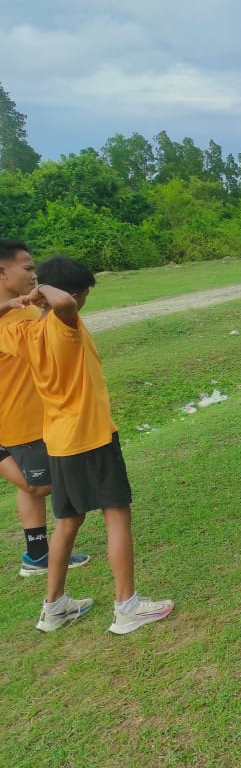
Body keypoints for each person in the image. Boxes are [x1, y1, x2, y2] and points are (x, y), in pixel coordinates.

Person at [0, 255, 173, 634]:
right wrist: (40, 292)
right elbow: (61, 304)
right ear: (76, 295)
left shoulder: (22, 331)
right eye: (84, 294)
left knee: (67, 521)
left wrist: (16, 303)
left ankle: (54, 607)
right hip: (90, 436)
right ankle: (127, 608)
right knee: (116, 513)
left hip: (59, 440)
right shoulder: (65, 323)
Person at [0, 239, 91, 577]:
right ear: (2, 270)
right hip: (17, 421)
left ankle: (37, 555)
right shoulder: (8, 313)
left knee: (37, 487)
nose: (34, 274)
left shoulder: (25, 310)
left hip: (40, 417)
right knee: (40, 486)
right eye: (27, 267)